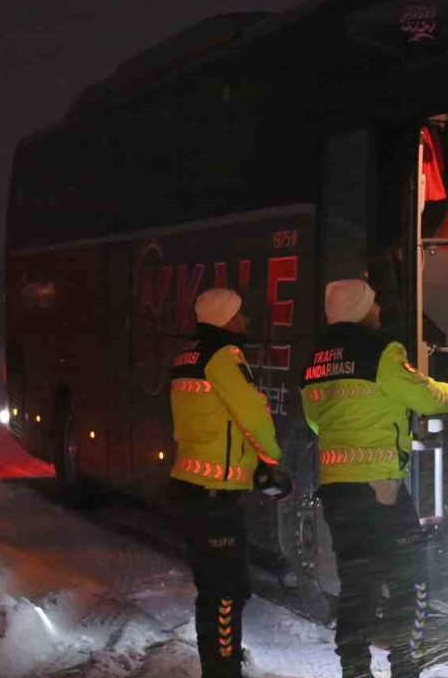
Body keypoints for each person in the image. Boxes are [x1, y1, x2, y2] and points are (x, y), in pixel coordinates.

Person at [301, 279, 448, 678]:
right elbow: (428, 398)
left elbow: (315, 421)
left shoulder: (316, 360)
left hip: (338, 490)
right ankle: (405, 666)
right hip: (381, 491)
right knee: (412, 580)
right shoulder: (382, 352)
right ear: (360, 309)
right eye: (373, 304)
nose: (378, 311)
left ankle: (355, 669)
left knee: (358, 583)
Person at [166, 288, 287, 678]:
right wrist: (272, 461)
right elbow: (251, 414)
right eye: (240, 313)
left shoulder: (188, 355)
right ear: (225, 317)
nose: (246, 320)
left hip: (192, 489)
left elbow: (215, 423)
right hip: (215, 497)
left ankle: (217, 669)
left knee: (213, 592)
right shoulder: (223, 356)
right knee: (226, 594)